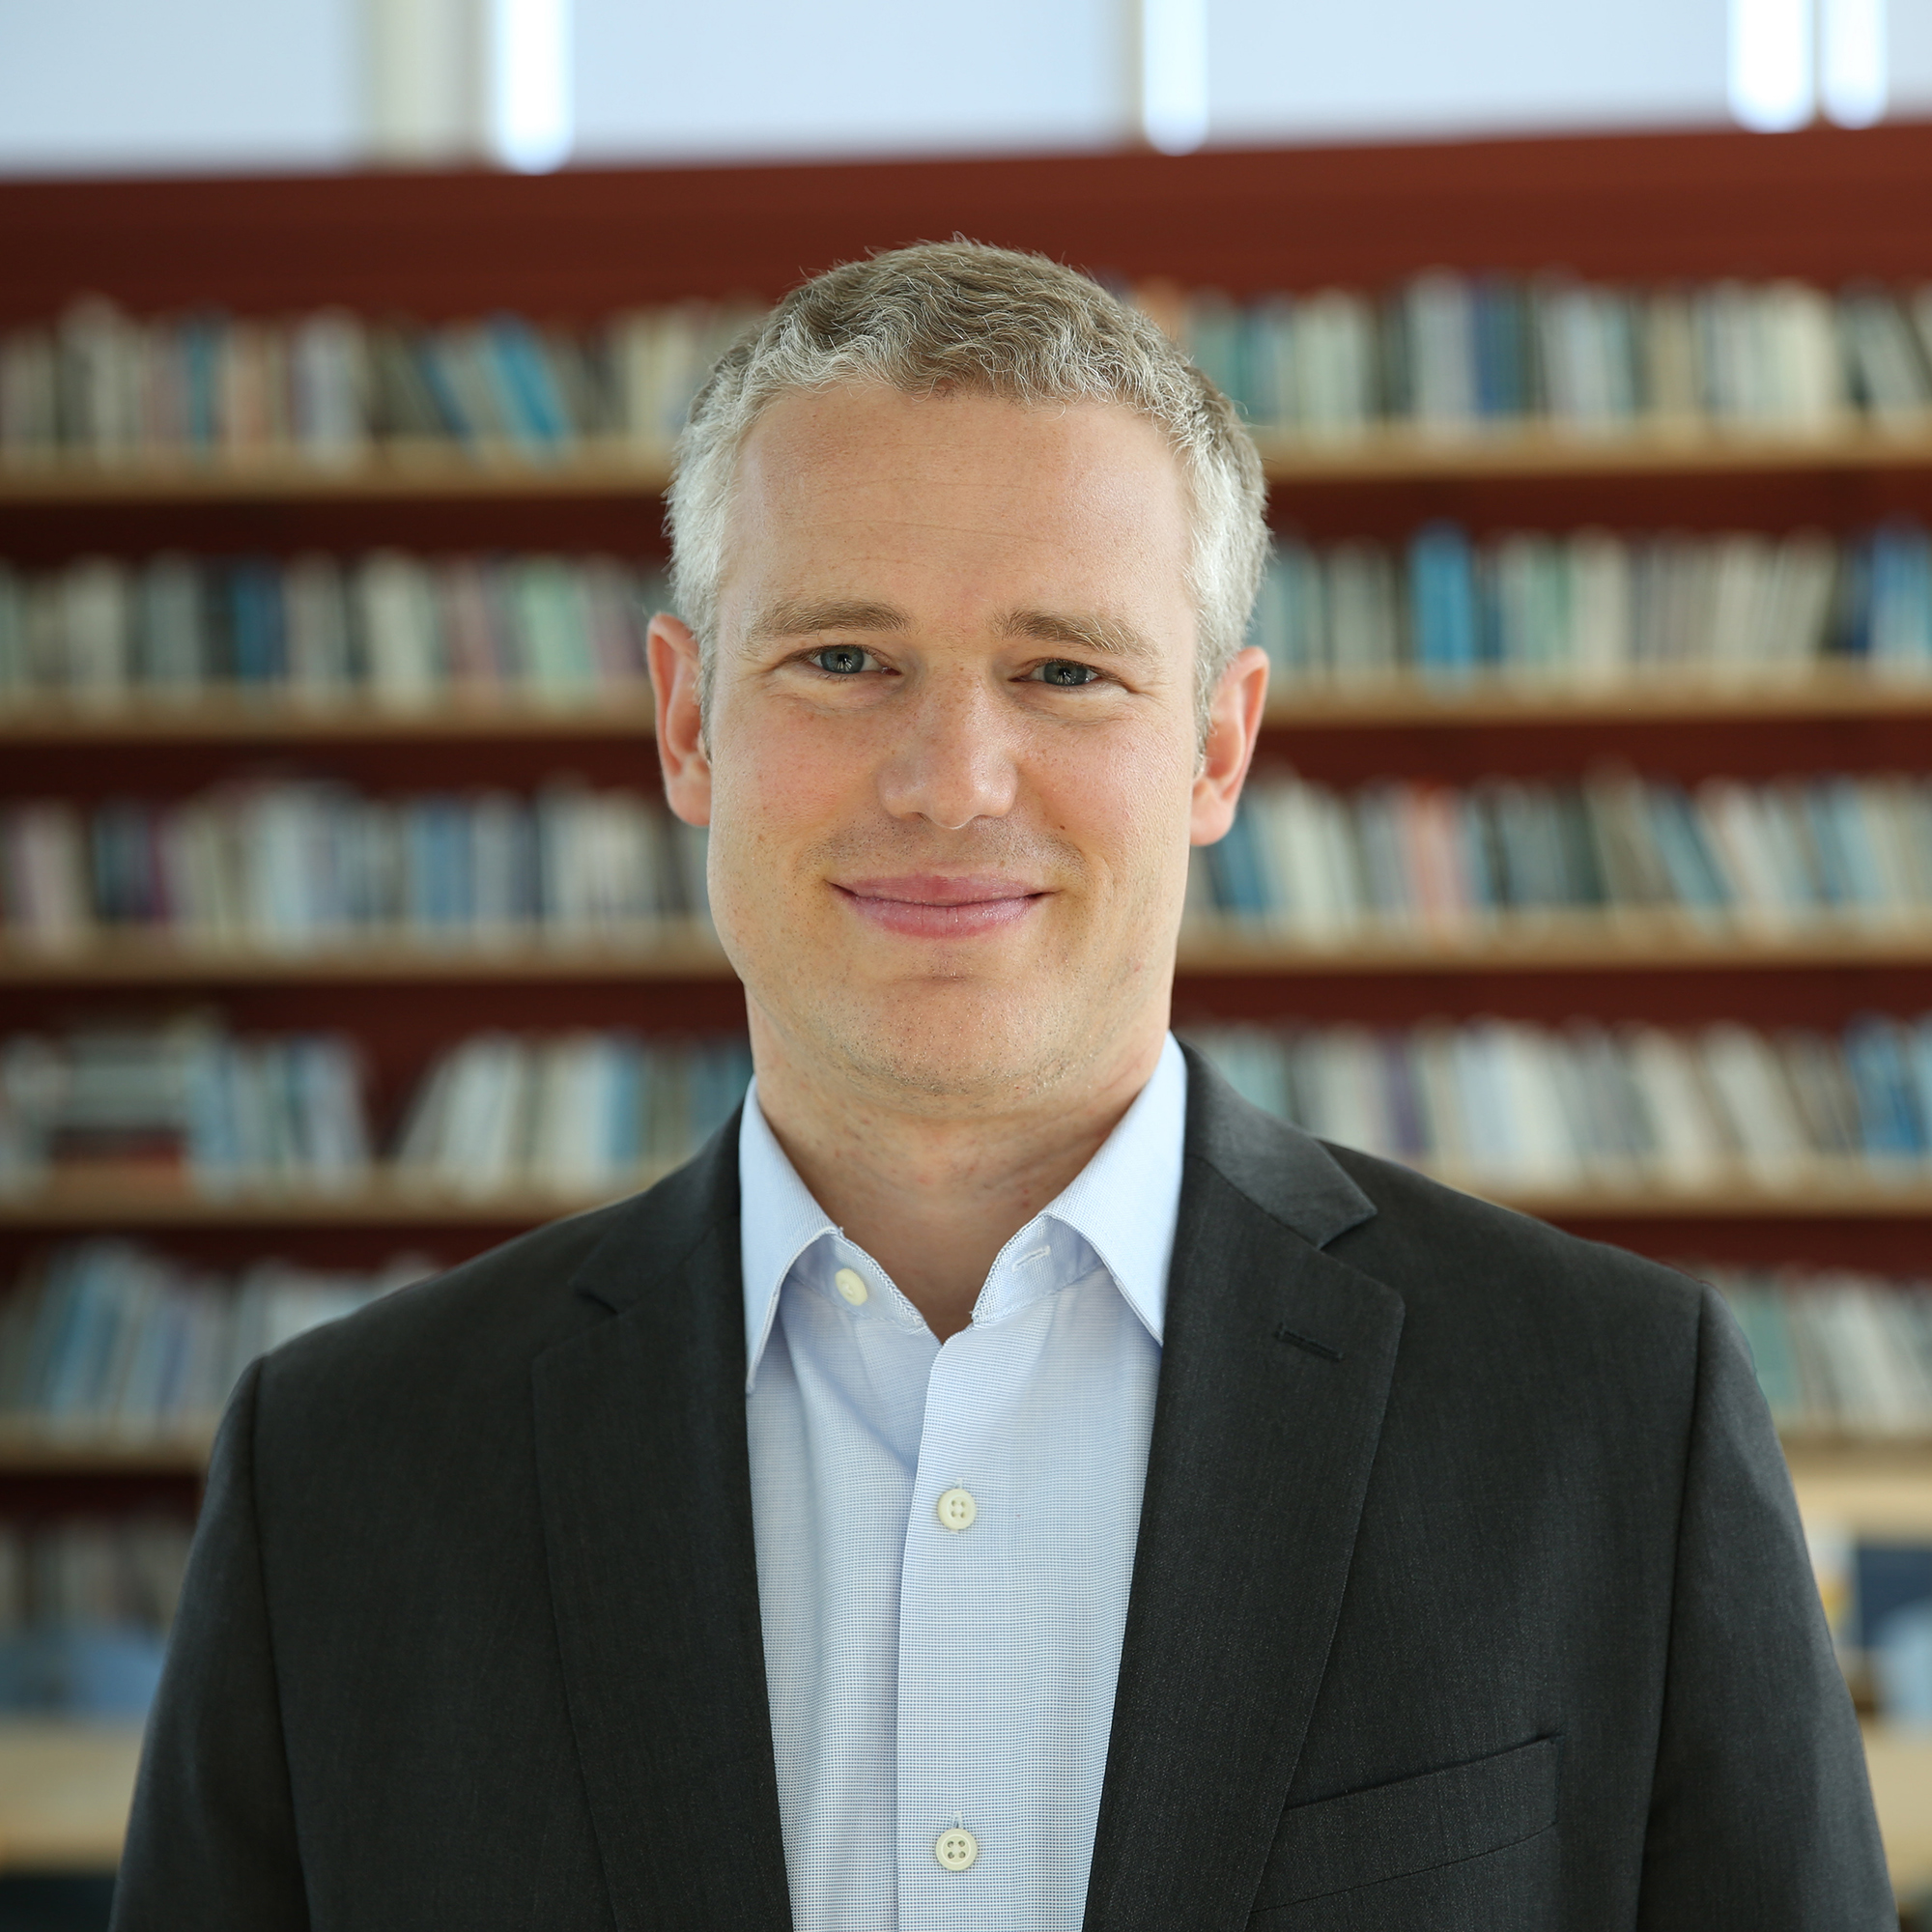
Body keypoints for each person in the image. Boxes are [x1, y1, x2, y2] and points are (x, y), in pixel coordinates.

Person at [111, 242, 1889, 1932]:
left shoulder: (1609, 1418)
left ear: (1214, 743)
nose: (955, 780)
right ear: (686, 723)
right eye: (842, 659)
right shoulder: (336, 1476)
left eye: (1062, 669)